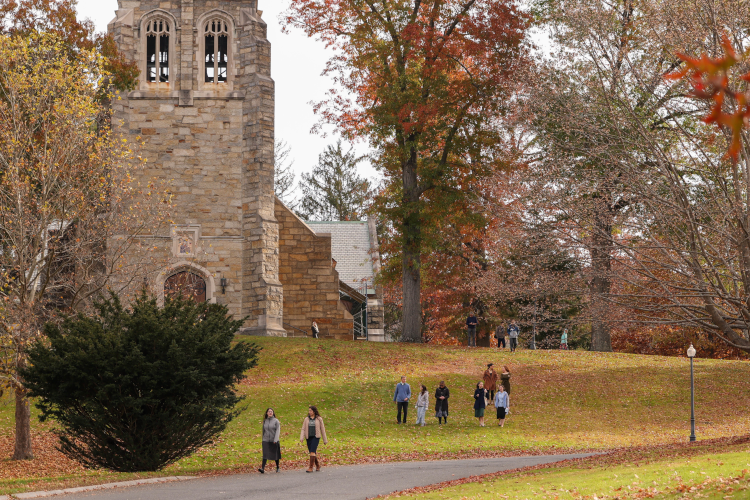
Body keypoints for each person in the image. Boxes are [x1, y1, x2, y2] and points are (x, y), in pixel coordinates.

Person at [299, 405, 327, 472]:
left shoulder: (319, 419)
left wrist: (325, 440)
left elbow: (322, 429)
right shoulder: (306, 419)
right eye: (309, 410)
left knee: (312, 452)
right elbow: (303, 429)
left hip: (316, 437)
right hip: (308, 437)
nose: (309, 412)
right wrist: (301, 437)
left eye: (311, 410)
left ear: (314, 411)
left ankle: (310, 467)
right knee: (312, 452)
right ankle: (317, 464)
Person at [258, 408, 281, 473]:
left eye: (271, 411)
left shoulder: (276, 421)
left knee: (275, 454)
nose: (270, 412)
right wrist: (263, 439)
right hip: (266, 440)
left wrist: (275, 439)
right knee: (265, 454)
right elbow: (263, 430)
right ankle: (262, 468)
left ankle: (277, 467)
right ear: (267, 413)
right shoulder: (265, 421)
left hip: (274, 440)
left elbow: (278, 430)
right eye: (269, 411)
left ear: (273, 413)